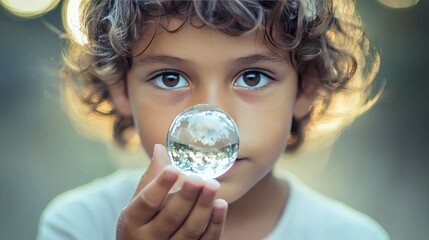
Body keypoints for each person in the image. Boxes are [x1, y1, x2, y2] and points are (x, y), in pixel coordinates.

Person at [37, 0, 389, 239]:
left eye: (252, 77)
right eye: (170, 78)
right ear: (120, 91)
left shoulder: (353, 236)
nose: (211, 123)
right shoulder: (77, 224)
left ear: (305, 88)